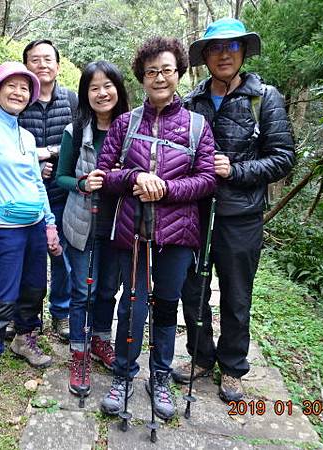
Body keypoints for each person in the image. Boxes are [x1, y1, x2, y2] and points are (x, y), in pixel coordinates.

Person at [172, 18, 295, 403]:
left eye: (232, 47)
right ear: (205, 57)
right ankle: (200, 357)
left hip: (240, 216)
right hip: (194, 212)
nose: (224, 55)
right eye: (215, 48)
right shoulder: (192, 101)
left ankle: (233, 367)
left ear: (243, 52)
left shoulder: (264, 98)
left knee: (236, 294)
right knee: (191, 290)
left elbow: (283, 157)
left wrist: (236, 170)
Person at [96, 37, 216, 420]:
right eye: (151, 72)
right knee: (131, 305)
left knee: (166, 308)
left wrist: (166, 188)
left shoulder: (198, 127)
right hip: (134, 232)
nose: (159, 77)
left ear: (178, 73)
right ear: (142, 78)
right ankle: (123, 375)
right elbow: (105, 172)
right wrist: (135, 177)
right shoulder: (125, 123)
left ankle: (160, 377)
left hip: (179, 236)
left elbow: (208, 179)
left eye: (166, 70)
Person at [0, 61, 63, 415]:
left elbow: (37, 183)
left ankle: (25, 339)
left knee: (35, 288)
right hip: (3, 227)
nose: (19, 92)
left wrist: (50, 222)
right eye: (12, 85)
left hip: (35, 225)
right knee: (1, 298)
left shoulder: (26, 136)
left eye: (25, 87)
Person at [56, 61, 129, 396]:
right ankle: (78, 353)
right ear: (86, 93)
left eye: (108, 85)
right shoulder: (75, 129)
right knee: (82, 292)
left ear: (119, 88)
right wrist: (83, 183)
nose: (102, 93)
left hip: (119, 225)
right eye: (94, 87)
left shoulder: (132, 129)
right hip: (84, 224)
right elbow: (61, 176)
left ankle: (101, 340)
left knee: (107, 290)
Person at [17, 39, 78, 341]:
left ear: (58, 64)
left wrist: (50, 153)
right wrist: (32, 165)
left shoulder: (72, 100)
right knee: (28, 258)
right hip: (24, 196)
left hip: (64, 195)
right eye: (34, 59)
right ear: (26, 64)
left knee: (63, 257)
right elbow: (3, 147)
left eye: (48, 59)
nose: (42, 65)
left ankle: (61, 314)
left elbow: (81, 142)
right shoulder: (17, 98)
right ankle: (24, 317)